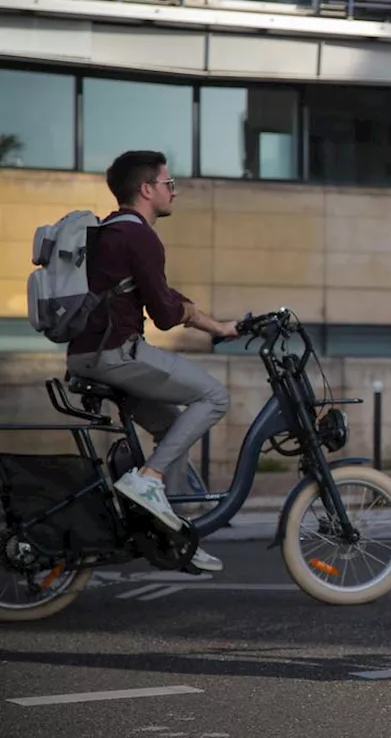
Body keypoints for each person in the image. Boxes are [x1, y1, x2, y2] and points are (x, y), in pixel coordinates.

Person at [66, 150, 239, 574]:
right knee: (214, 397)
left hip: (86, 355)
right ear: (147, 189)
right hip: (116, 354)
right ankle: (147, 481)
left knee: (173, 427)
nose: (173, 192)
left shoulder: (108, 231)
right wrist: (213, 326)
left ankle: (172, 534)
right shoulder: (140, 236)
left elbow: (156, 294)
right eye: (169, 183)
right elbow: (164, 313)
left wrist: (213, 324)